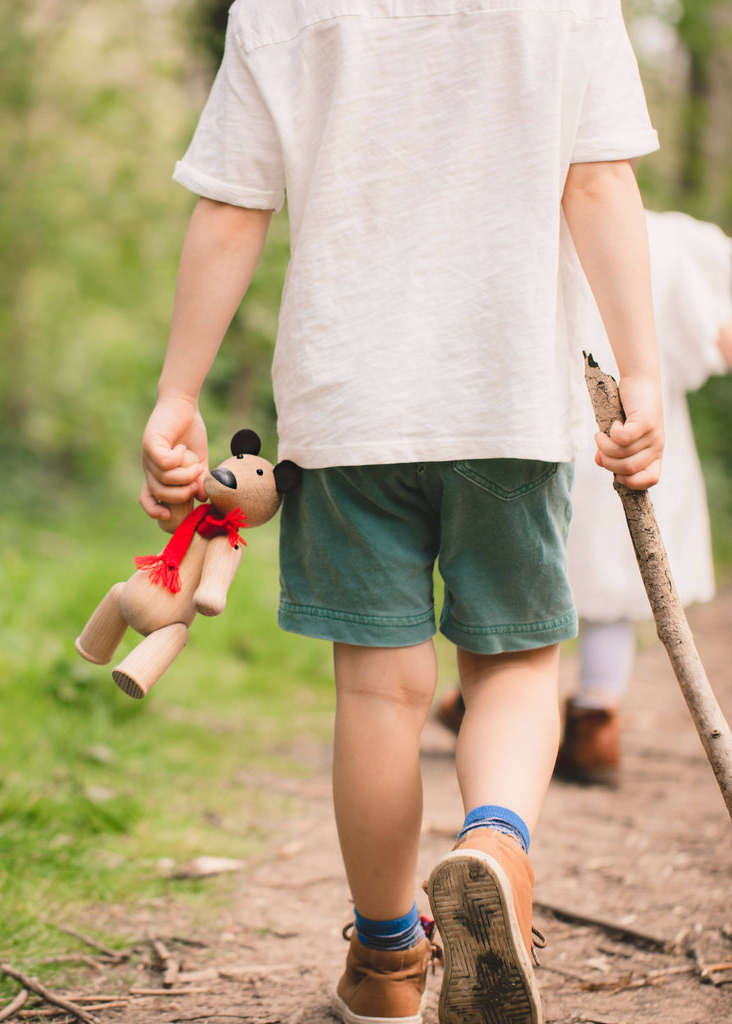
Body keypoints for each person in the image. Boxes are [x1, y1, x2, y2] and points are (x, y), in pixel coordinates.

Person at [136, 3, 663, 1023]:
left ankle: (384, 963)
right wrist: (637, 370)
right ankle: (493, 848)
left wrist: (178, 391)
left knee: (379, 696)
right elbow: (597, 179)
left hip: (348, 407)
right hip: (506, 396)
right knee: (512, 663)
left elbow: (231, 207)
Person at [437, 210, 732, 787]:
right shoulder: (666, 240)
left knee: (522, 573)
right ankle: (596, 715)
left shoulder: (527, 221)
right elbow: (720, 335)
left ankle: (491, 704)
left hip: (545, 431)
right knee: (613, 582)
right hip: (635, 436)